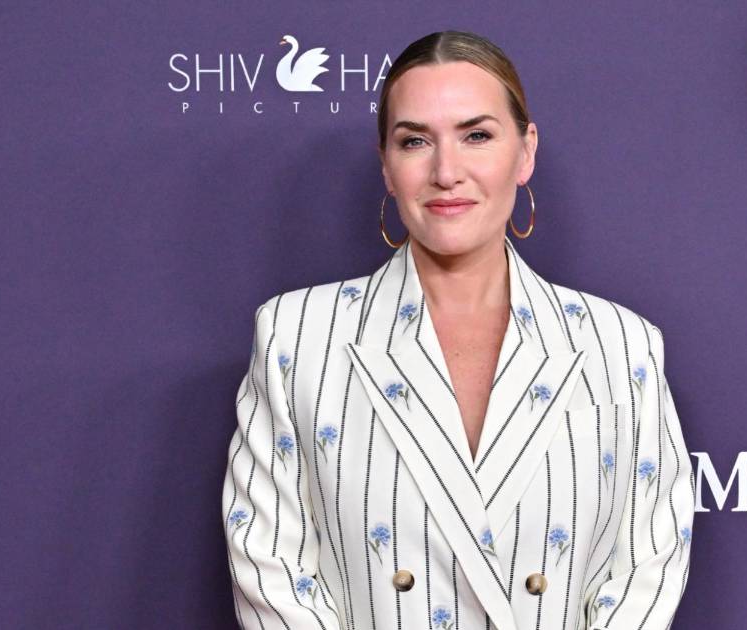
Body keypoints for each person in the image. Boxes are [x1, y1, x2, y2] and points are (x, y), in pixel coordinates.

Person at [222, 30, 695, 630]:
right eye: (415, 141)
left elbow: (647, 564)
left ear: (525, 153)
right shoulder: (296, 337)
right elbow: (271, 567)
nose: (446, 172)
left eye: (476, 136)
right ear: (387, 166)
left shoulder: (621, 345)